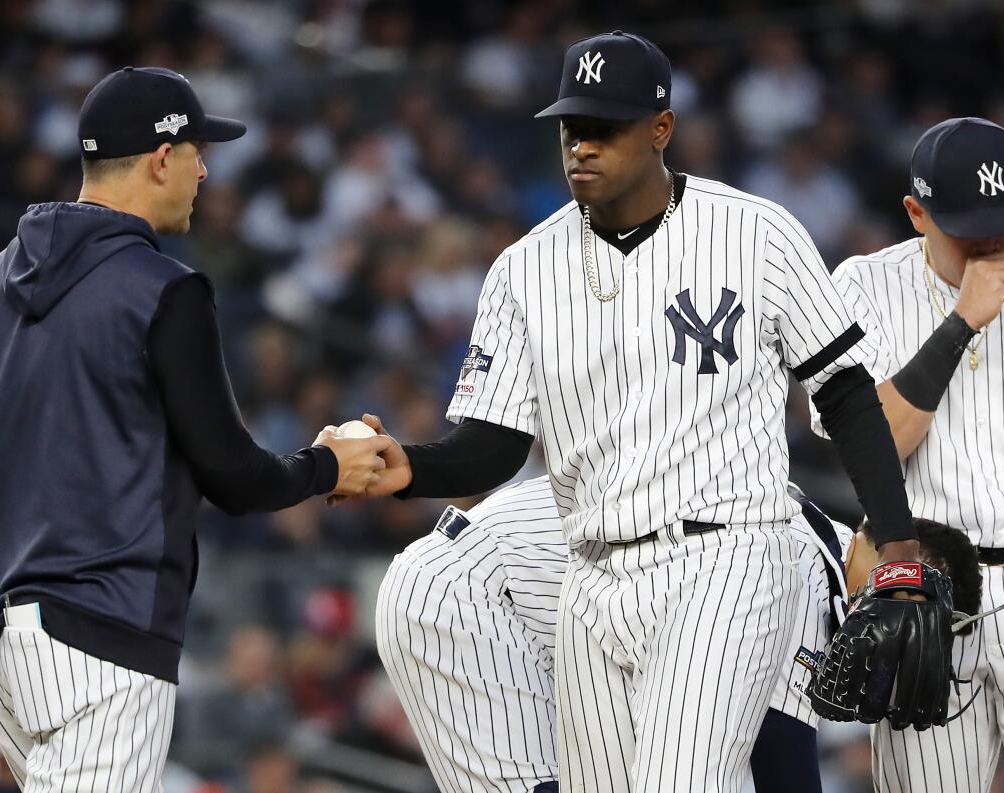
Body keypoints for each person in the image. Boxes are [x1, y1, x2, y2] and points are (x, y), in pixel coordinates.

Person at [351, 30, 923, 791]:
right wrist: (409, 467)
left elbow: (846, 393)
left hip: (726, 554)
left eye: (605, 128)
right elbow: (492, 446)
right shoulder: (524, 269)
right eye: (571, 128)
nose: (581, 146)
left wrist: (898, 543)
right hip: (589, 570)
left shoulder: (756, 233)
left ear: (660, 129)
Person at [0, 66, 390, 793]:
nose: (206, 170)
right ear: (161, 158)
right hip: (104, 631)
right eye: (198, 151)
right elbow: (234, 475)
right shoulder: (162, 287)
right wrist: (327, 464)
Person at [377, 478, 984, 793]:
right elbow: (782, 762)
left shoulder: (814, 563)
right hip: (469, 600)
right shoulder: (795, 559)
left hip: (532, 624)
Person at [820, 116, 1004, 792]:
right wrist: (960, 323)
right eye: (968, 224)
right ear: (917, 212)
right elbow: (874, 441)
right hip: (925, 594)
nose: (993, 238)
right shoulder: (861, 286)